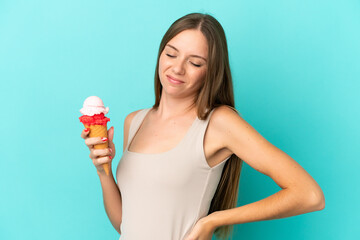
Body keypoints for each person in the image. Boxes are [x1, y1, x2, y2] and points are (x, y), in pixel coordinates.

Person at [81, 12, 325, 240]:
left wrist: (212, 220)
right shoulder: (134, 122)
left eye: (195, 63)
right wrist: (104, 171)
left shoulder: (218, 123)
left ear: (211, 72)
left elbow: (309, 194)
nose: (177, 68)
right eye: (171, 54)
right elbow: (125, 224)